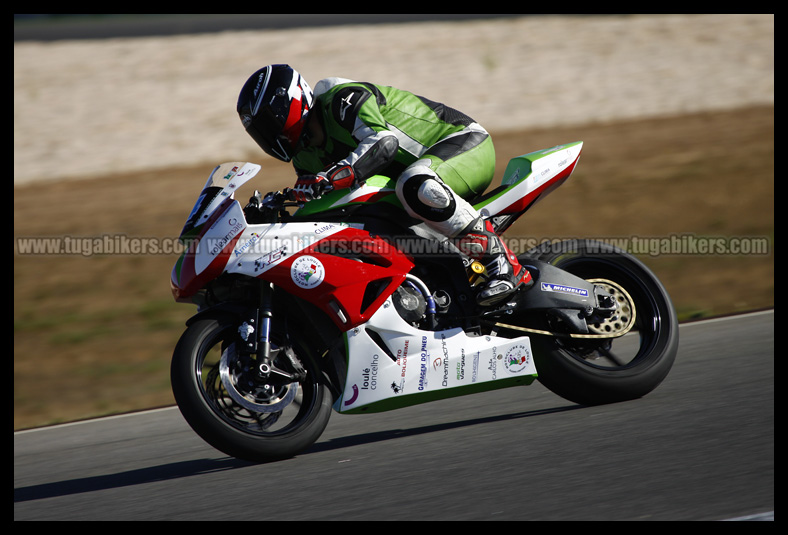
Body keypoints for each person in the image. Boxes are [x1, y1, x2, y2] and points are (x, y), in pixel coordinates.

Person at [237, 64, 532, 306]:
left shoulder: (342, 100)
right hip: (413, 187)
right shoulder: (306, 157)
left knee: (415, 183)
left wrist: (332, 177)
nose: (267, 135)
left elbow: (383, 144)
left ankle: (503, 265)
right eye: (258, 131)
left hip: (462, 143)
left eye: (268, 122)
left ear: (288, 102)